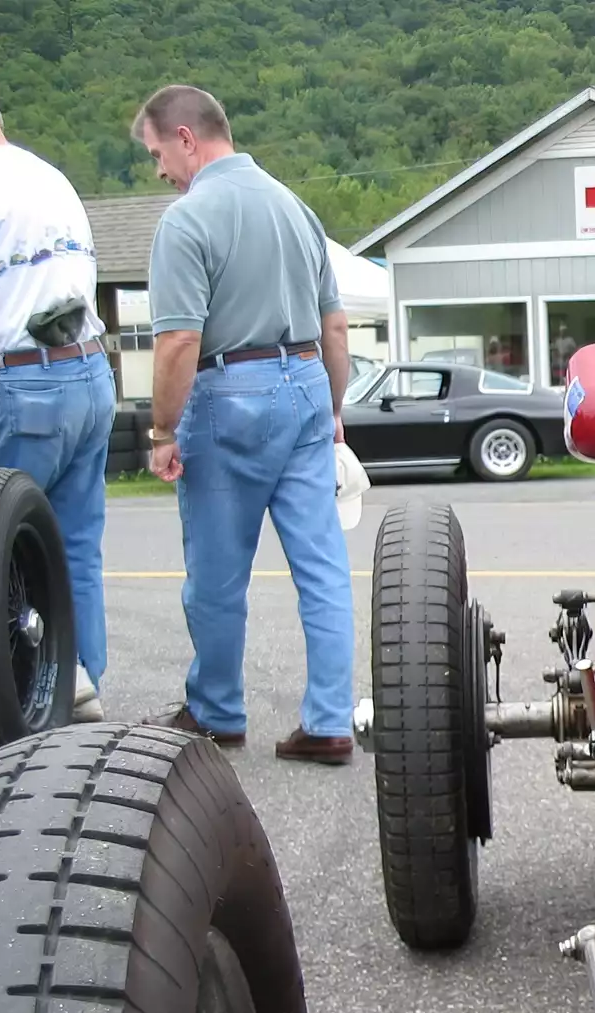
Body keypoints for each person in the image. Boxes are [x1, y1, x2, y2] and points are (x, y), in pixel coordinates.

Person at [133, 84, 356, 764]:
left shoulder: (187, 220)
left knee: (218, 573)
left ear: (186, 138)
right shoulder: (295, 208)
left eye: (157, 154)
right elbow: (335, 326)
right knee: (322, 567)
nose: (160, 171)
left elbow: (178, 341)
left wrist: (163, 432)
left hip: (231, 392)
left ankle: (217, 712)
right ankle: (329, 720)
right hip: (306, 382)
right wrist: (334, 410)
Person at [0, 79, 112, 722]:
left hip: (23, 383)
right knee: (74, 544)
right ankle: (81, 683)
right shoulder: (52, 180)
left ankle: (5, 705)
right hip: (89, 374)